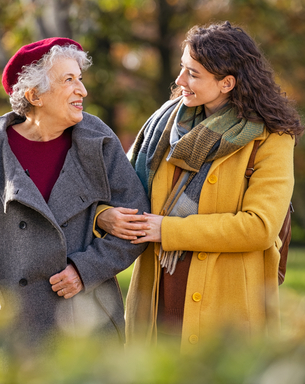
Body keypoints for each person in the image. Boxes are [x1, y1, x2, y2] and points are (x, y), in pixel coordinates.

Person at [0, 37, 150, 359]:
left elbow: (136, 223)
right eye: (69, 80)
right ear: (34, 95)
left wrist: (85, 269)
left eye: (80, 78)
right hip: (11, 325)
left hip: (87, 322)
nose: (82, 90)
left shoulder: (99, 141)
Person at [95, 21, 303, 352]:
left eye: (193, 73)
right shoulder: (163, 127)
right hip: (157, 300)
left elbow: (260, 227)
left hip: (227, 312)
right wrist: (104, 216)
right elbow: (115, 189)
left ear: (227, 83)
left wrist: (169, 230)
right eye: (182, 69)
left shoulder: (272, 139)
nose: (179, 81)